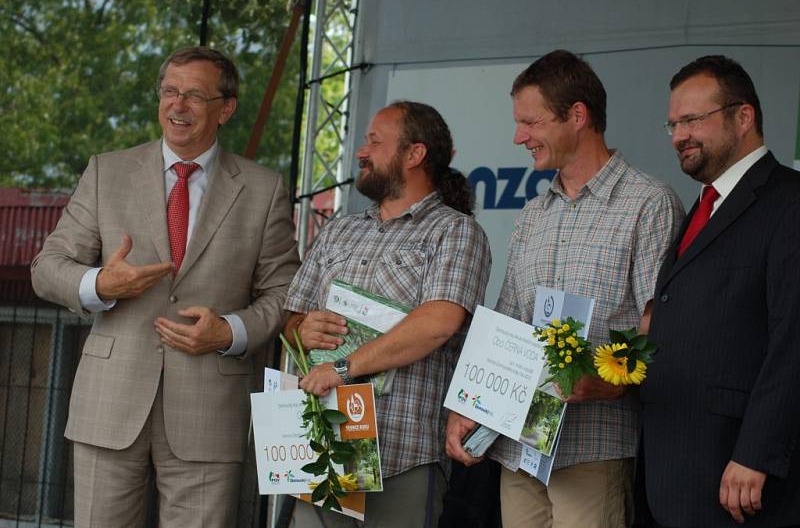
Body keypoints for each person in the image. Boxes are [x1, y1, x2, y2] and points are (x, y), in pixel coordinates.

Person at [31, 46, 300, 527]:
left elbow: (285, 292)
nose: (178, 106)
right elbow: (47, 267)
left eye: (195, 95)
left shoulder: (263, 189)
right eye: (170, 92)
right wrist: (100, 282)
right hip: (110, 404)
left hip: (208, 411)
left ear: (227, 107)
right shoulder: (106, 172)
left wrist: (230, 332)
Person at [445, 49, 684, 527]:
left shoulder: (648, 202)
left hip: (592, 445)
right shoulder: (535, 212)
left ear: (577, 116)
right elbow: (508, 319)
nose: (519, 137)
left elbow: (658, 325)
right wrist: (465, 405)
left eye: (530, 122)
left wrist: (610, 383)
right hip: (518, 446)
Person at [284, 100, 492, 527]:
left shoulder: (455, 230)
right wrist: (301, 328)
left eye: (375, 142)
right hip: (321, 442)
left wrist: (343, 368)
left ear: (414, 155)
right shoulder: (341, 228)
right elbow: (289, 320)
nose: (363, 152)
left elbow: (438, 322)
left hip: (401, 452)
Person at [639, 55, 800, 527]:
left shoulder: (789, 201)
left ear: (743, 117)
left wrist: (757, 453)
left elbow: (793, 337)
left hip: (740, 477)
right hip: (675, 472)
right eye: (671, 123)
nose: (677, 136)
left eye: (691, 120)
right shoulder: (705, 204)